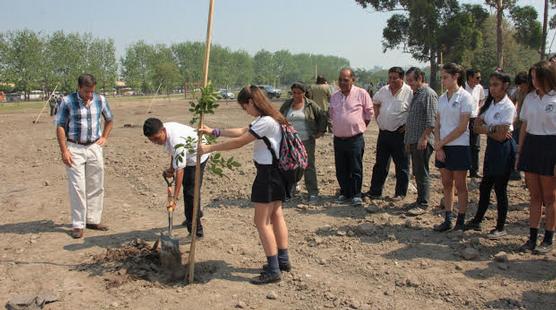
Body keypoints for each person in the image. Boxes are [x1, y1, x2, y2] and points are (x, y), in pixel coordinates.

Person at [198, 85, 290, 285]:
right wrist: (214, 131)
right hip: (276, 174)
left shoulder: (265, 121)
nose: (245, 111)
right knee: (276, 216)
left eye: (244, 107)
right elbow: (242, 130)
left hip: (267, 175)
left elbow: (240, 141)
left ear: (251, 102)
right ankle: (282, 260)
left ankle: (274, 269)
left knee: (261, 222)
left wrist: (209, 148)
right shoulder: (269, 118)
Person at [55, 74, 113, 239]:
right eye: (86, 91)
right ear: (79, 87)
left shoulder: (100, 100)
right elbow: (60, 126)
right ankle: (78, 224)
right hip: (75, 147)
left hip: (94, 146)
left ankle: (93, 220)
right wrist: (64, 150)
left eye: (92, 91)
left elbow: (109, 119)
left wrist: (104, 137)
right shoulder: (67, 102)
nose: (89, 95)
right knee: (77, 187)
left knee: (96, 183)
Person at [464, 71, 516, 239]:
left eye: (496, 85)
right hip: (493, 148)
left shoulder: (508, 106)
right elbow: (476, 127)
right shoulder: (489, 104)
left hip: (504, 149)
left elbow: (503, 135)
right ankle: (477, 220)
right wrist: (493, 129)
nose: (492, 89)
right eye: (491, 85)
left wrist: (488, 129)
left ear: (505, 86)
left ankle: (500, 226)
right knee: (485, 186)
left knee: (500, 188)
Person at [143, 118, 210, 238]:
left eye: (157, 138)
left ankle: (196, 231)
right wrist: (171, 169)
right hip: (187, 154)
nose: (155, 142)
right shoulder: (165, 131)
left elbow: (180, 170)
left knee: (190, 193)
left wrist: (174, 198)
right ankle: (195, 215)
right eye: (151, 140)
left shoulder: (175, 139)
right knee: (189, 189)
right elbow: (174, 154)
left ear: (163, 130)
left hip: (198, 155)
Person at [516, 60, 556, 254]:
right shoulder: (530, 98)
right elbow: (524, 126)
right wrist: (520, 151)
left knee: (550, 196)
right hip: (531, 146)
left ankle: (548, 238)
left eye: (535, 76)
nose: (532, 80)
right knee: (534, 196)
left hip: (550, 147)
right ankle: (532, 237)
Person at [433, 63, 474, 232]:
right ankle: (448, 218)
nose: (443, 81)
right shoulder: (442, 98)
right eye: (441, 77)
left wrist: (441, 143)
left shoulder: (465, 97)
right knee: (446, 183)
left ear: (455, 76)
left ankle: (461, 220)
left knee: (460, 185)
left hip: (459, 146)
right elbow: (437, 123)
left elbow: (462, 126)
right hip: (443, 147)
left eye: (445, 77)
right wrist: (438, 146)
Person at [329, 68, 374, 206]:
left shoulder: (361, 93)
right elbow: (332, 114)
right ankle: (345, 192)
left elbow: (369, 113)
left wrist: (358, 126)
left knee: (355, 167)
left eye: (346, 80)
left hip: (355, 139)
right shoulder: (334, 96)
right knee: (341, 168)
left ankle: (356, 194)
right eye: (340, 80)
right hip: (338, 139)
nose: (342, 82)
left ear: (353, 80)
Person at [367, 67, 412, 201]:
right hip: (384, 133)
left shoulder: (409, 92)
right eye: (390, 77)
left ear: (401, 78)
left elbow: (414, 111)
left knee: (402, 165)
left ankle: (400, 193)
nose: (391, 81)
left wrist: (407, 125)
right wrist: (378, 117)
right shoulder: (384, 90)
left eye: (395, 78)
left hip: (400, 134)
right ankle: (375, 191)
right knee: (380, 164)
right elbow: (375, 102)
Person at [279, 82, 326, 202]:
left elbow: (322, 116)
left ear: (304, 93)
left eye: (299, 93)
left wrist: (320, 131)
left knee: (308, 165)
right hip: (289, 142)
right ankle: (290, 190)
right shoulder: (287, 104)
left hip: (306, 140)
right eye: (294, 92)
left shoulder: (310, 105)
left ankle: (313, 192)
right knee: (290, 166)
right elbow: (278, 116)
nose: (296, 95)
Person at [404, 67, 438, 215]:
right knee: (417, 171)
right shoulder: (416, 94)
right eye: (408, 81)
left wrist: (424, 138)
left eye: (411, 81)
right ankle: (419, 199)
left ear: (420, 79)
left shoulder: (428, 94)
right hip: (414, 140)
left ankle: (423, 203)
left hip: (422, 141)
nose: (409, 84)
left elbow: (431, 120)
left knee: (422, 172)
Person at [509, 71, 533, 180]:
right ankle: (515, 171)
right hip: (518, 123)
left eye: (521, 85)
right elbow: (510, 102)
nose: (520, 87)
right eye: (518, 85)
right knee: (514, 147)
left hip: (529, 125)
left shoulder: (533, 93)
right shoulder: (518, 92)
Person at [465, 69, 486, 178]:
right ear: (469, 77)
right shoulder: (462, 87)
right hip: (464, 119)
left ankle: (474, 171)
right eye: (477, 77)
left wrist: (479, 108)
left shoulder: (479, 88)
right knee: (463, 144)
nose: (479, 80)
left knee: (475, 146)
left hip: (475, 119)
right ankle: (463, 168)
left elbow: (482, 99)